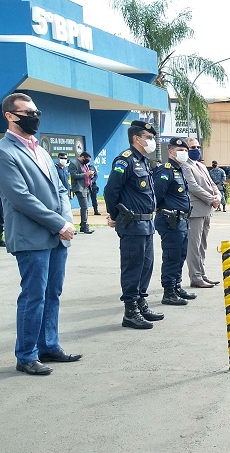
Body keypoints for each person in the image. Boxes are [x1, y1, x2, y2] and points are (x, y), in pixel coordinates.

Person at [0, 93, 80, 375]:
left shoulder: (40, 149)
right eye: (28, 112)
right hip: (31, 237)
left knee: (53, 293)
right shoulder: (1, 151)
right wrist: (58, 223)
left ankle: (49, 345)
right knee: (33, 296)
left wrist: (65, 219)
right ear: (10, 116)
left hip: (56, 235)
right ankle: (26, 354)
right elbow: (20, 197)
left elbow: (60, 188)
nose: (34, 116)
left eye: (36, 111)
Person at [103, 120, 165, 330]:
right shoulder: (125, 160)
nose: (152, 141)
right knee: (133, 267)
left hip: (147, 224)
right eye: (148, 138)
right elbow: (111, 192)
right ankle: (130, 311)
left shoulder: (144, 161)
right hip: (132, 224)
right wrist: (115, 215)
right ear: (136, 139)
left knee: (146, 266)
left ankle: (141, 303)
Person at [154, 137, 196, 306]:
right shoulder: (166, 170)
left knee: (180, 254)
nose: (183, 153)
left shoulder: (179, 170)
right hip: (170, 219)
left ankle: (177, 285)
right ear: (170, 152)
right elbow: (156, 194)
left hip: (181, 220)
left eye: (185, 151)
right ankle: (169, 291)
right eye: (180, 151)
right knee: (172, 255)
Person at [180, 137, 221, 288]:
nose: (196, 150)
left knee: (202, 245)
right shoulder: (185, 167)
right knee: (194, 246)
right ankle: (195, 277)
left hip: (207, 209)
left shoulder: (201, 166)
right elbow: (193, 187)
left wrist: (218, 196)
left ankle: (202, 274)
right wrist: (212, 199)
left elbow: (211, 184)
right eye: (192, 148)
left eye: (197, 147)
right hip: (195, 211)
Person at [68, 151, 95, 234]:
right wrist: (86, 174)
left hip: (86, 187)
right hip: (79, 188)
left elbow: (86, 174)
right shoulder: (74, 163)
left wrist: (90, 175)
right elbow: (73, 175)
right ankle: (84, 225)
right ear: (83, 157)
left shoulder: (84, 164)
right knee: (84, 207)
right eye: (87, 159)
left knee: (86, 208)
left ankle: (83, 225)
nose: (88, 161)